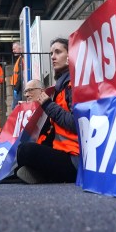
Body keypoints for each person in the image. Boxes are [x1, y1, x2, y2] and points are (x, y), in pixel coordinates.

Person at [15, 37, 79, 184]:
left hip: (74, 159)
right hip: (63, 151)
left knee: (26, 151)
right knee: (22, 150)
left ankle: (45, 175)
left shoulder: (72, 85)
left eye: (58, 52)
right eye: (51, 53)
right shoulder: (61, 85)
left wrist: (48, 105)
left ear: (70, 56)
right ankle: (42, 173)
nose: (53, 57)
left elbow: (75, 124)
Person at [9, 42, 24, 110]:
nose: (13, 51)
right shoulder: (20, 58)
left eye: (14, 49)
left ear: (20, 48)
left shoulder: (21, 59)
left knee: (15, 108)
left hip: (19, 88)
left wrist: (16, 89)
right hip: (18, 87)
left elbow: (20, 75)